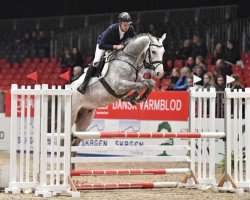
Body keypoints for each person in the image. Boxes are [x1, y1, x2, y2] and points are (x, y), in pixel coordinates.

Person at [77, 12, 136, 94]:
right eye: (125, 24)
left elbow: (133, 41)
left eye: (128, 24)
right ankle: (84, 84)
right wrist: (115, 47)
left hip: (117, 46)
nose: (127, 26)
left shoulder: (131, 29)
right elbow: (101, 45)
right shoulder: (112, 29)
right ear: (120, 23)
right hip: (104, 45)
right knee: (96, 62)